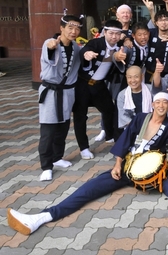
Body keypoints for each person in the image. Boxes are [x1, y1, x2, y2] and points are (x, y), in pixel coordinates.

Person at [6, 92, 168, 235]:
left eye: (165, 102)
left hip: (153, 169)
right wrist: (118, 163)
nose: (161, 105)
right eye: (157, 101)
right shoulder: (141, 118)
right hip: (128, 167)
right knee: (89, 189)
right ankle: (42, 217)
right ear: (152, 104)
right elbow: (125, 140)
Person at [73, 19, 127, 160]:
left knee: (110, 109)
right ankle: (84, 148)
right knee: (80, 116)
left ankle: (112, 136)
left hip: (99, 84)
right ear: (104, 32)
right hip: (82, 84)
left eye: (117, 34)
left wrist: (127, 43)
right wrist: (86, 54)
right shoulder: (96, 43)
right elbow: (85, 50)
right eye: (111, 33)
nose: (114, 37)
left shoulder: (120, 46)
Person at [37, 15, 82, 181]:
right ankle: (46, 166)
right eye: (70, 27)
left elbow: (82, 59)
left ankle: (57, 158)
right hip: (51, 92)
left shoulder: (76, 47)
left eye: (77, 28)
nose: (74, 31)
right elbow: (49, 55)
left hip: (67, 92)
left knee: (62, 128)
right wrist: (50, 47)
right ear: (61, 28)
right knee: (48, 131)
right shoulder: (50, 43)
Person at [116, 66, 153, 131]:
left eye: (136, 77)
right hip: (131, 126)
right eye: (129, 77)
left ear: (142, 76)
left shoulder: (151, 90)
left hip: (151, 124)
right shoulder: (122, 95)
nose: (133, 80)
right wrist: (137, 125)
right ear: (126, 78)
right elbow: (123, 115)